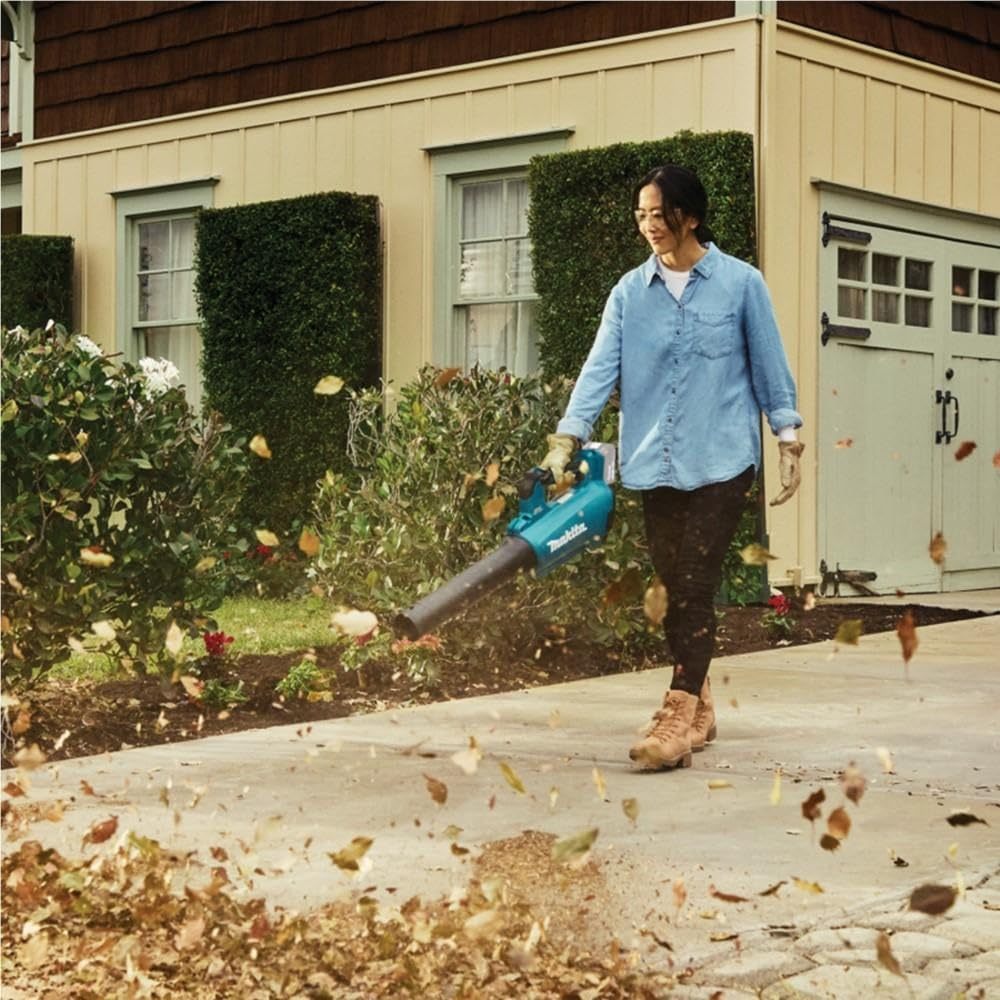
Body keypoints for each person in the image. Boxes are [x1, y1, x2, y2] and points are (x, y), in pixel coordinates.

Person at [539, 164, 804, 772]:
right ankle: (703, 707)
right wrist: (566, 439)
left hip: (721, 460)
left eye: (660, 214)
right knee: (671, 586)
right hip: (654, 461)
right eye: (641, 215)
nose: (649, 226)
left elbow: (770, 365)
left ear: (690, 217)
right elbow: (598, 369)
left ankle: (676, 717)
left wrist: (787, 440)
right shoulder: (630, 294)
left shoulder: (740, 284)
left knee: (693, 583)